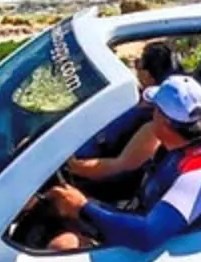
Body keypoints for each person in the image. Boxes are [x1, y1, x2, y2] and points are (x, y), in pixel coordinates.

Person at [43, 76, 201, 252]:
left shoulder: (200, 172)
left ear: (164, 120)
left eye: (155, 109)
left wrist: (84, 208)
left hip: (155, 252)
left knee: (63, 245)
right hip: (136, 217)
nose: (151, 114)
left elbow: (147, 235)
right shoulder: (172, 147)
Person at [67, 42, 179, 184]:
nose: (135, 66)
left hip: (86, 175)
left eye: (139, 63)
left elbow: (121, 166)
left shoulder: (155, 123)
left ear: (149, 77)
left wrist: (73, 167)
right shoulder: (135, 95)